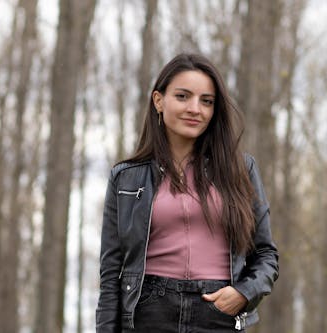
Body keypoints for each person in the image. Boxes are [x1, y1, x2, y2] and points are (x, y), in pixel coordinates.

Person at [96, 53, 279, 333]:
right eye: (183, 97)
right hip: (147, 313)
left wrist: (243, 293)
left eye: (206, 101)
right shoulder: (125, 177)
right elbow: (111, 274)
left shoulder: (241, 169)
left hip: (219, 312)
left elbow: (265, 254)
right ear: (159, 100)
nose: (195, 109)